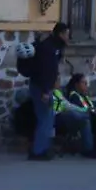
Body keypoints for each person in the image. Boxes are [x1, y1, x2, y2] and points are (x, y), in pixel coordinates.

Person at [29, 22, 69, 160]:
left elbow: (52, 70)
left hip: (45, 86)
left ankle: (43, 148)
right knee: (44, 119)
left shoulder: (54, 47)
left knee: (47, 118)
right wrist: (46, 91)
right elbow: (45, 71)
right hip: (41, 87)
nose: (67, 37)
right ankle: (38, 151)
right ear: (60, 34)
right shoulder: (48, 48)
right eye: (66, 34)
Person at [51, 77, 96, 158]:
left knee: (84, 120)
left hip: (65, 116)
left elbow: (69, 105)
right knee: (74, 113)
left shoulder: (58, 92)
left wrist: (83, 110)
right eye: (57, 80)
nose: (59, 83)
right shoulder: (50, 92)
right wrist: (84, 111)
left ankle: (88, 149)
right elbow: (67, 106)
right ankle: (90, 116)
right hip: (56, 117)